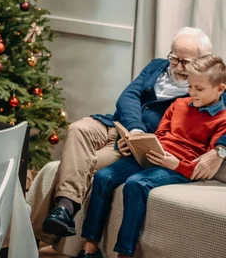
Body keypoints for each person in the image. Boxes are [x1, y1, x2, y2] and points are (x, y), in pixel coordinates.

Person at [34, 27, 212, 240]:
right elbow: (129, 96)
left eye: (186, 62)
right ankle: (58, 215)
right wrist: (135, 128)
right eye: (175, 59)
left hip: (132, 148)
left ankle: (59, 214)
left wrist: (220, 150)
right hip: (116, 125)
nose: (179, 67)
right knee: (77, 128)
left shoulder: (207, 87)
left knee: (75, 167)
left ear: (203, 60)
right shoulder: (157, 66)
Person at [78, 54, 226, 258]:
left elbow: (200, 168)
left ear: (220, 89)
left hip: (178, 166)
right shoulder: (179, 105)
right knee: (103, 177)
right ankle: (90, 248)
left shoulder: (222, 120)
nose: (192, 92)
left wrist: (174, 164)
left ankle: (124, 253)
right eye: (190, 86)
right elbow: (160, 135)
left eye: (199, 89)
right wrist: (139, 145)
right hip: (156, 155)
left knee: (136, 184)